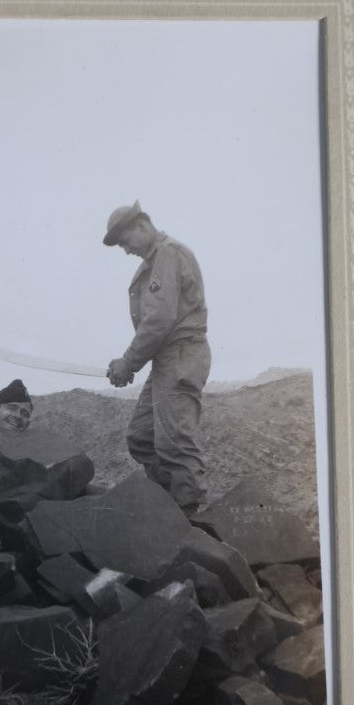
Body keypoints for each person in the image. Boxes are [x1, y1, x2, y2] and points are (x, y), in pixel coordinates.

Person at [103, 200, 211, 516]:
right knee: (141, 437)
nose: (125, 250)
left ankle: (188, 523)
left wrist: (128, 362)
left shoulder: (168, 253)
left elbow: (160, 320)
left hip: (181, 354)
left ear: (143, 225)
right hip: (166, 358)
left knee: (175, 443)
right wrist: (130, 361)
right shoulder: (155, 260)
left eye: (125, 241)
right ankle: (170, 509)